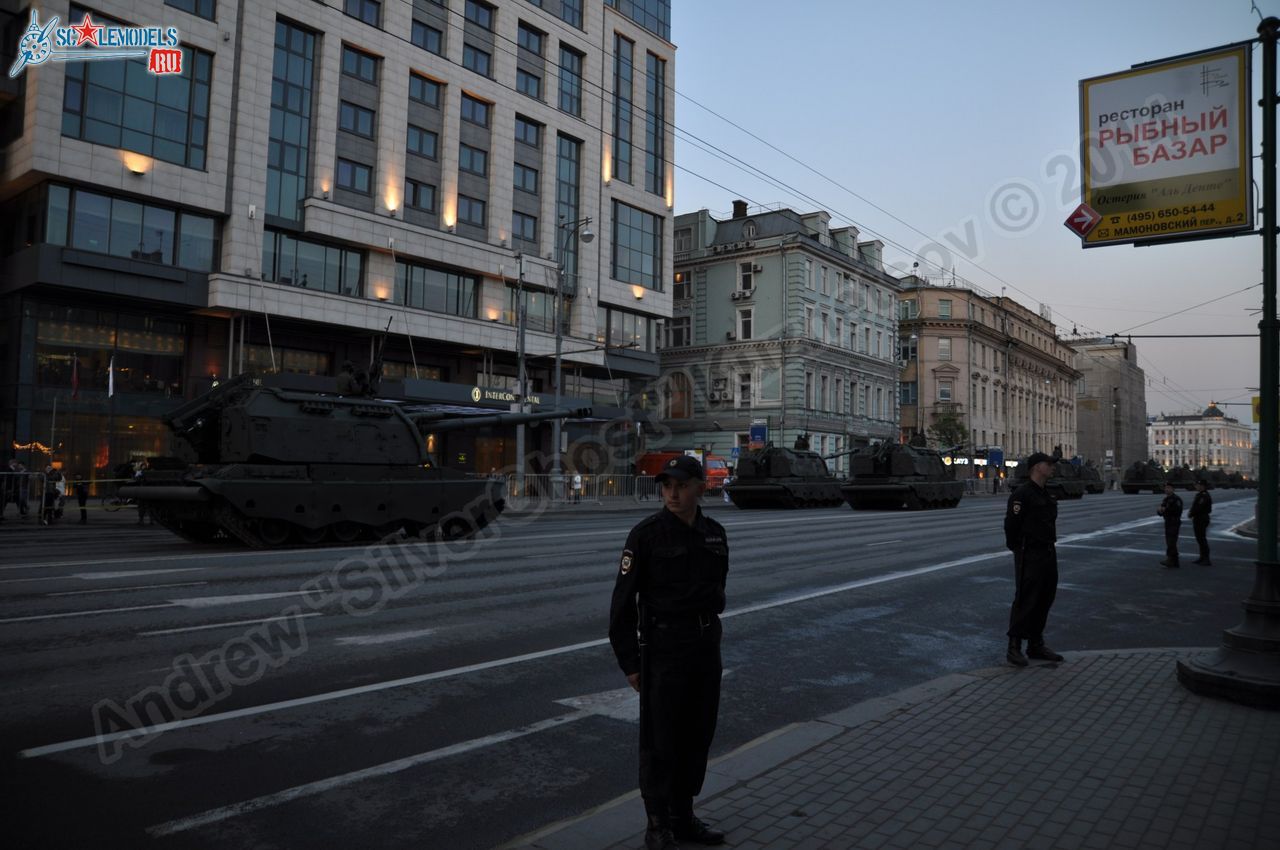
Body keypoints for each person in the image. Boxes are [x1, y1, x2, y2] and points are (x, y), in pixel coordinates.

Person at [609, 455, 729, 849]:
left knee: (698, 734)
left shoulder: (714, 534)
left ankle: (683, 815)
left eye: (680, 485)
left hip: (704, 647)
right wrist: (630, 663)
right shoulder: (646, 535)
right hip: (663, 649)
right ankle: (657, 824)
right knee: (660, 740)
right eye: (666, 486)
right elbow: (622, 606)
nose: (672, 494)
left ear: (700, 487)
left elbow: (718, 593)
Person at [1003, 452, 1065, 667]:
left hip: (1048, 551)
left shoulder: (1046, 493)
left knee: (1045, 598)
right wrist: (1019, 550)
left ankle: (1035, 644)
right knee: (1026, 599)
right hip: (1030, 552)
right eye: (1049, 464)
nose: (1053, 468)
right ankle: (1014, 647)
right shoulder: (1022, 494)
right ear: (1037, 467)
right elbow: (1011, 525)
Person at [1158, 481, 1184, 568]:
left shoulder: (1176, 499)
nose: (1167, 490)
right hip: (1168, 521)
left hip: (1174, 522)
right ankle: (1174, 560)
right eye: (1166, 488)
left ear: (1173, 489)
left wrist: (1165, 510)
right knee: (1169, 541)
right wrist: (1160, 511)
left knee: (1171, 541)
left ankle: (1171, 559)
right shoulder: (1166, 499)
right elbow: (1161, 510)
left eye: (1169, 488)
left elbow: (1177, 511)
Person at [1188, 479, 1213, 565]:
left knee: (1202, 539)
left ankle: (1206, 559)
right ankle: (1202, 557)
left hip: (1201, 518)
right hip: (1199, 518)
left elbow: (1199, 507)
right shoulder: (1201, 495)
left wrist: (1191, 513)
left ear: (1202, 486)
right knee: (1200, 539)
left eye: (1197, 485)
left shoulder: (1204, 495)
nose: (1196, 487)